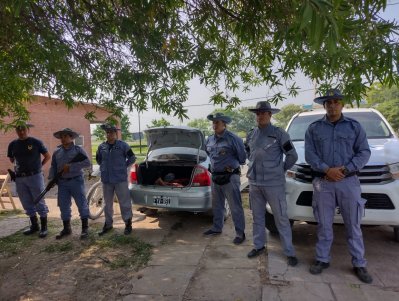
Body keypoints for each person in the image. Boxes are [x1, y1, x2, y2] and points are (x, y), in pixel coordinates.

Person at [305, 89, 373, 283]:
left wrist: (345, 170)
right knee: (324, 224)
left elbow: (364, 152)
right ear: (324, 105)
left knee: (353, 224)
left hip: (349, 182)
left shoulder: (354, 127)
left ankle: (359, 263)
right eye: (329, 102)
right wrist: (327, 170)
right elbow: (310, 154)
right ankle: (322, 259)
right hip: (323, 183)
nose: (332, 105)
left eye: (336, 102)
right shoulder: (314, 128)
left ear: (342, 104)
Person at [245, 101, 298, 266]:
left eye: (263, 113)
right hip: (255, 183)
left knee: (281, 218)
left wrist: (280, 169)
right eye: (258, 113)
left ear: (270, 115)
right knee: (257, 217)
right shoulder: (251, 134)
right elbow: (248, 151)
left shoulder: (279, 133)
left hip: (274, 184)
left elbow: (292, 155)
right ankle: (258, 245)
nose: (260, 115)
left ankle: (289, 252)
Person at [203, 113, 246, 245]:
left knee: (235, 207)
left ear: (224, 124)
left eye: (217, 122)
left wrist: (230, 165)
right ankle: (217, 228)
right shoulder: (209, 139)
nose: (214, 125)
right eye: (213, 122)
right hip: (215, 176)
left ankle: (240, 233)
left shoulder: (233, 139)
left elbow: (242, 158)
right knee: (217, 205)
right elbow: (208, 154)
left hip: (230, 177)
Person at [7, 122, 51, 238]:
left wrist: (38, 166)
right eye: (18, 130)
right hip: (20, 178)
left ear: (28, 130)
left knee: (39, 200)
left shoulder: (36, 142)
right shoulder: (12, 144)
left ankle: (44, 227)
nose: (21, 132)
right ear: (16, 131)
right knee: (26, 201)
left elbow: (47, 156)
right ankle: (34, 226)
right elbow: (12, 159)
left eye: (23, 129)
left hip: (35, 176)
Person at [49, 128, 91, 239]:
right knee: (63, 205)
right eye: (61, 137)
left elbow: (87, 163)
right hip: (62, 183)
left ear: (71, 137)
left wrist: (71, 167)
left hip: (76, 181)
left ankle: (85, 228)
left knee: (81, 204)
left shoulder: (78, 150)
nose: (63, 139)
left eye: (65, 136)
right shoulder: (57, 151)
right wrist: (52, 179)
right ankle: (66, 228)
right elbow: (53, 166)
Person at [96, 123, 136, 236]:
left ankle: (128, 223)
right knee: (107, 203)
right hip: (106, 180)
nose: (109, 134)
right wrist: (105, 168)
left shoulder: (123, 145)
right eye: (107, 132)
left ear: (115, 133)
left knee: (124, 202)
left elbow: (132, 158)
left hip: (120, 179)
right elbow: (99, 160)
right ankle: (108, 224)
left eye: (111, 132)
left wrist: (124, 166)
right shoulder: (101, 146)